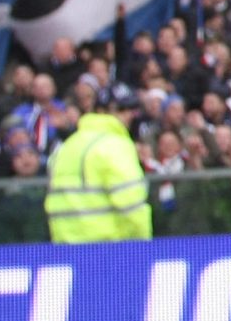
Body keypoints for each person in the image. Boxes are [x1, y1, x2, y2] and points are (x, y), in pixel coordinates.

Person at [44, 82, 152, 242]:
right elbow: (131, 204)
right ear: (101, 111)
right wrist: (143, 245)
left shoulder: (68, 145)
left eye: (132, 109)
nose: (129, 115)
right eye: (121, 109)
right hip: (108, 247)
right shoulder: (114, 145)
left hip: (65, 246)